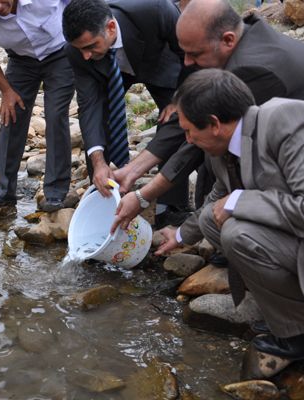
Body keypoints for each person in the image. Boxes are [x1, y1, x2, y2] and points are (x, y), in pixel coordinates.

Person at [157, 68, 304, 379]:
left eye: (188, 131)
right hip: (292, 236)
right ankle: (285, 316)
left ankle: (295, 333)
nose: (187, 139)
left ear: (214, 124)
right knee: (215, 218)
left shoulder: (285, 120)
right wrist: (182, 235)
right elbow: (217, 200)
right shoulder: (221, 147)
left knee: (236, 230)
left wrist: (240, 201)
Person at [111, 0, 304, 233]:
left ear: (228, 40)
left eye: (194, 54)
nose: (186, 63)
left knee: (213, 152)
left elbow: (197, 140)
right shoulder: (241, 37)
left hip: (294, 167)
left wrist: (143, 196)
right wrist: (133, 170)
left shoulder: (253, 70)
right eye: (184, 53)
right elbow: (191, 116)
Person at [61, 0, 192, 223]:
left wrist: (180, 98)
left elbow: (188, 52)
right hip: (111, 71)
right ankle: (103, 200)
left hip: (159, 64)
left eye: (90, 46)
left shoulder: (156, 9)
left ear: (111, 28)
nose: (85, 55)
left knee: (176, 120)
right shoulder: (77, 51)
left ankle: (171, 206)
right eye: (80, 49)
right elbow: (90, 106)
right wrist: (98, 161)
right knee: (100, 122)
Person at [0, 0, 75, 212]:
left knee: (55, 114)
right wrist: (6, 91)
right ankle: (6, 191)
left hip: (61, 54)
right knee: (11, 115)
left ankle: (55, 192)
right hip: (21, 61)